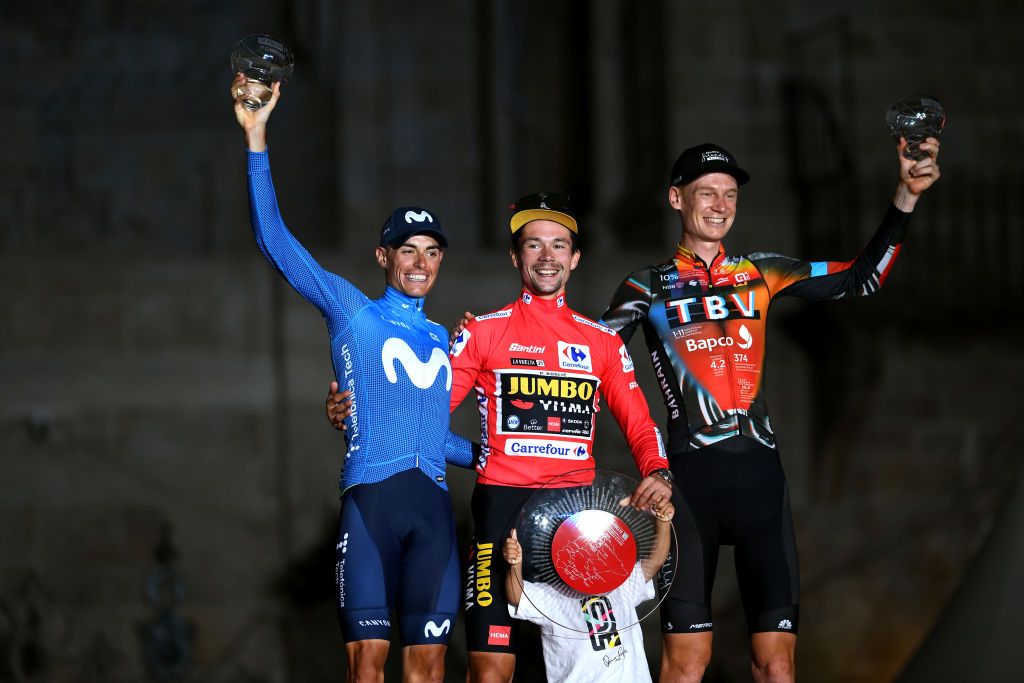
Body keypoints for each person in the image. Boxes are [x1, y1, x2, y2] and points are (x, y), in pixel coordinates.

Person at [598, 138, 941, 683]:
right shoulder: (645, 285)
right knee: (687, 666)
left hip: (761, 480)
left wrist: (905, 196)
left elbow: (862, 277)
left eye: (729, 194)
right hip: (690, 484)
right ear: (675, 199)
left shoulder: (763, 271)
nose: (719, 204)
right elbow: (588, 360)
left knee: (777, 667)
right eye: (706, 192)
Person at [328, 192, 674, 682]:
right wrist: (357, 410)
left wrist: (657, 470)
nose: (547, 257)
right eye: (534, 245)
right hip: (500, 511)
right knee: (490, 671)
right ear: (516, 257)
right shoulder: (483, 333)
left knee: (598, 667)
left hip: (576, 517)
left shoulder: (602, 342)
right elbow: (422, 416)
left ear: (575, 259)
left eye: (559, 246)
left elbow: (640, 422)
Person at [232, 73, 476, 683]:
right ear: (383, 257)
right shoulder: (351, 309)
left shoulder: (444, 339)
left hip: (436, 512)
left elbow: (431, 436)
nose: (420, 263)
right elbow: (277, 243)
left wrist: (499, 455)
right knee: (366, 667)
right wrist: (256, 137)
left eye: (432, 251)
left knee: (430, 667)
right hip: (371, 502)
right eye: (407, 250)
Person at [502, 501, 675, 683]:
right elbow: (517, 596)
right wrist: (515, 564)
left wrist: (663, 522)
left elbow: (654, 562)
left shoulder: (619, 582)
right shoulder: (552, 596)